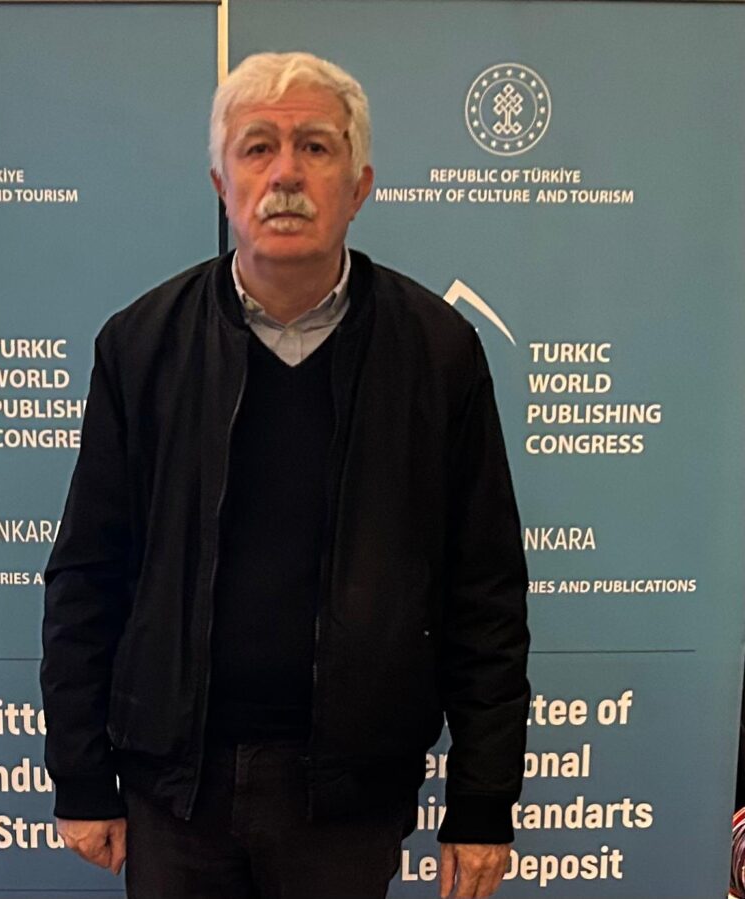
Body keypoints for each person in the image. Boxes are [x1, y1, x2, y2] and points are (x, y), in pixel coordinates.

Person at [41, 51, 530, 899]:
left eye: (315, 147)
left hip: (347, 795)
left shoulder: (437, 351)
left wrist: (483, 800)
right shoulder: (141, 345)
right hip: (175, 788)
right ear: (221, 182)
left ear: (360, 185)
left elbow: (483, 589)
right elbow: (88, 574)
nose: (286, 175)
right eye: (257, 147)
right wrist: (82, 775)